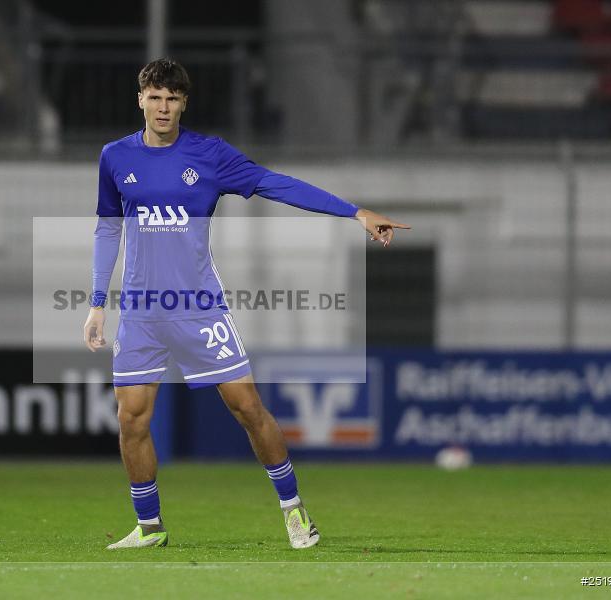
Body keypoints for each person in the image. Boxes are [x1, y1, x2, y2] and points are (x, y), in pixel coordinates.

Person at [84, 58, 409, 550]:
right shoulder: (115, 157)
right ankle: (149, 526)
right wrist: (95, 302)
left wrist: (355, 212)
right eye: (155, 97)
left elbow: (277, 184)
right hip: (141, 312)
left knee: (248, 408)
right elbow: (108, 228)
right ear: (141, 100)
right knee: (131, 416)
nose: (164, 107)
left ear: (184, 103)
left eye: (173, 98)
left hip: (199, 308)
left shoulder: (209, 155)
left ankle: (294, 510)